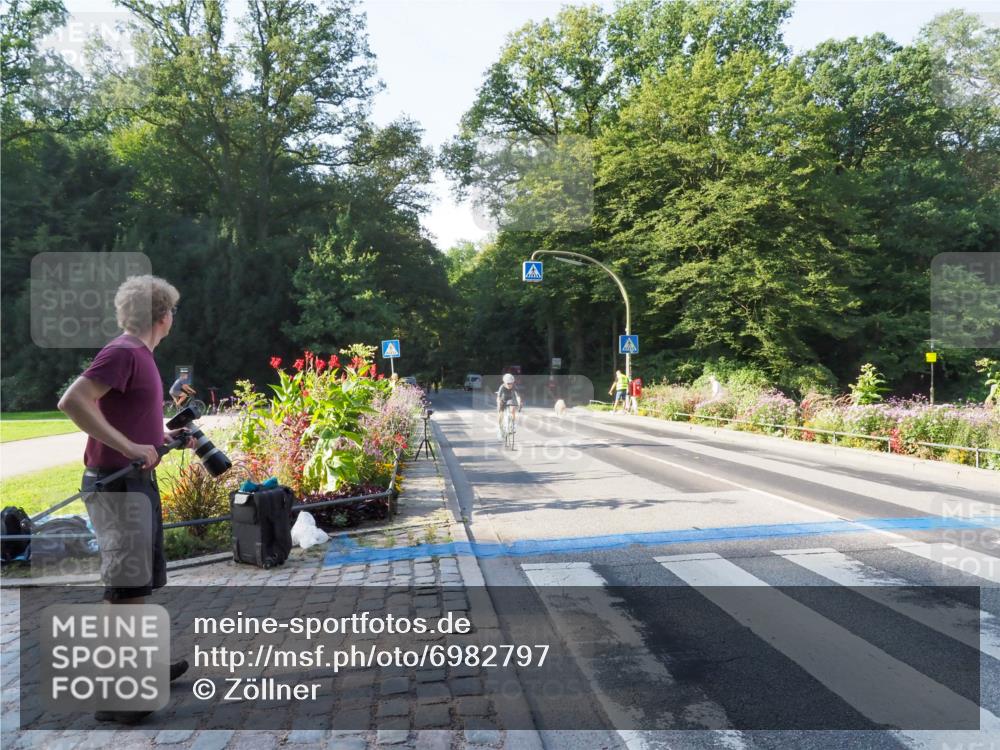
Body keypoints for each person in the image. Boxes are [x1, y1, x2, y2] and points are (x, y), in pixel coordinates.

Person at [58, 274, 194, 724]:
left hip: (133, 481)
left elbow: (129, 419)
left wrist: (160, 436)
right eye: (172, 309)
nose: (173, 316)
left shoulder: (141, 357)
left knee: (136, 585)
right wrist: (131, 448)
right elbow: (74, 401)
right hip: (116, 482)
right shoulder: (123, 352)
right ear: (162, 315)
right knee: (124, 589)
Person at [496, 373, 522, 439]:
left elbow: (518, 396)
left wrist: (520, 403)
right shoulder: (502, 387)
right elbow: (498, 397)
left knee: (512, 409)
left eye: (511, 383)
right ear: (504, 382)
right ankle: (500, 429)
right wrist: (499, 403)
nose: (510, 385)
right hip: (502, 400)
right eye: (508, 383)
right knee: (500, 416)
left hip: (510, 399)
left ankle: (512, 425)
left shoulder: (514, 386)